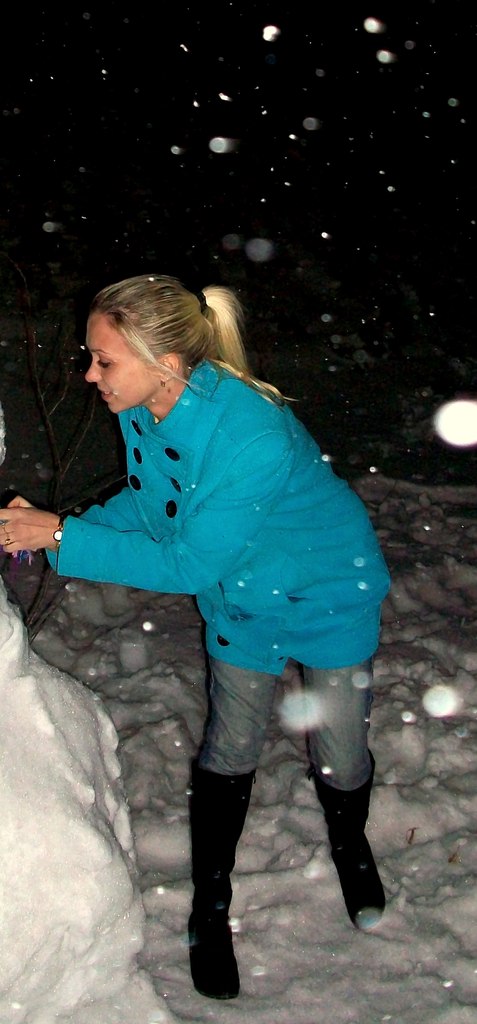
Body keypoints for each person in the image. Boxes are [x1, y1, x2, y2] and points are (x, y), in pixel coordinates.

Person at [0, 274, 391, 1001]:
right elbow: (157, 509)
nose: (89, 375)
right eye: (90, 356)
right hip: (243, 592)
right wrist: (53, 527)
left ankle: (351, 844)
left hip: (325, 589)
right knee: (229, 747)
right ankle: (211, 914)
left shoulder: (252, 435)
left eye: (103, 361)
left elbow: (186, 559)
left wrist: (58, 533)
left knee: (340, 751)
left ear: (165, 362)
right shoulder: (145, 407)